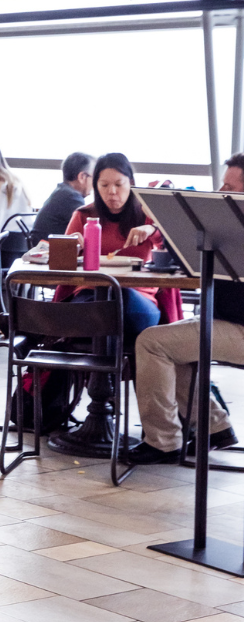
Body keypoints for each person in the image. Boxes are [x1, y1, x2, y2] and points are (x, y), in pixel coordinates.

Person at [129, 154, 244, 464]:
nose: (220, 190)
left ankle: (163, 442)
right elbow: (196, 266)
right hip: (228, 322)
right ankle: (214, 426)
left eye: (229, 186)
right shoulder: (232, 230)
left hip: (239, 328)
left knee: (151, 342)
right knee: (172, 344)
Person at [60, 151, 182, 335]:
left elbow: (171, 253)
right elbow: (62, 264)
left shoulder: (146, 214)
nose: (112, 191)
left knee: (120, 297)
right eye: (104, 185)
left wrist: (154, 229)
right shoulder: (84, 216)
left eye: (119, 184)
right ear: (95, 186)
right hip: (90, 292)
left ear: (131, 183)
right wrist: (71, 247)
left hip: (140, 296)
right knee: (97, 306)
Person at [30, 152, 95, 244]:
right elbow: (93, 226)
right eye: (94, 177)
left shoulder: (63, 192)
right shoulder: (71, 198)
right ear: (82, 177)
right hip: (51, 253)